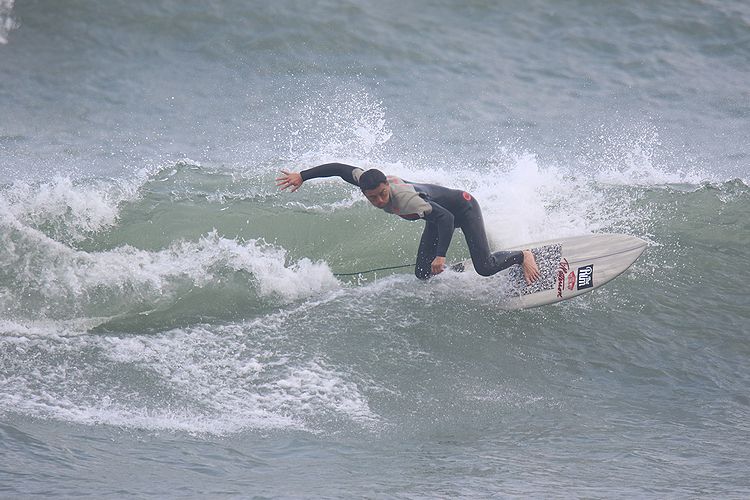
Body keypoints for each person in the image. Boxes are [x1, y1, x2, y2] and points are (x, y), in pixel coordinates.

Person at [276, 163, 540, 284]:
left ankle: (521, 256)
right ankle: (458, 269)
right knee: (422, 273)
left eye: (383, 194)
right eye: (372, 197)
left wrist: (440, 255)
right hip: (436, 215)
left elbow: (447, 219)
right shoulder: (366, 180)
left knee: (485, 268)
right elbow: (338, 169)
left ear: (387, 185)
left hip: (463, 208)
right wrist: (303, 176)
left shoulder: (407, 201)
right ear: (364, 191)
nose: (380, 200)